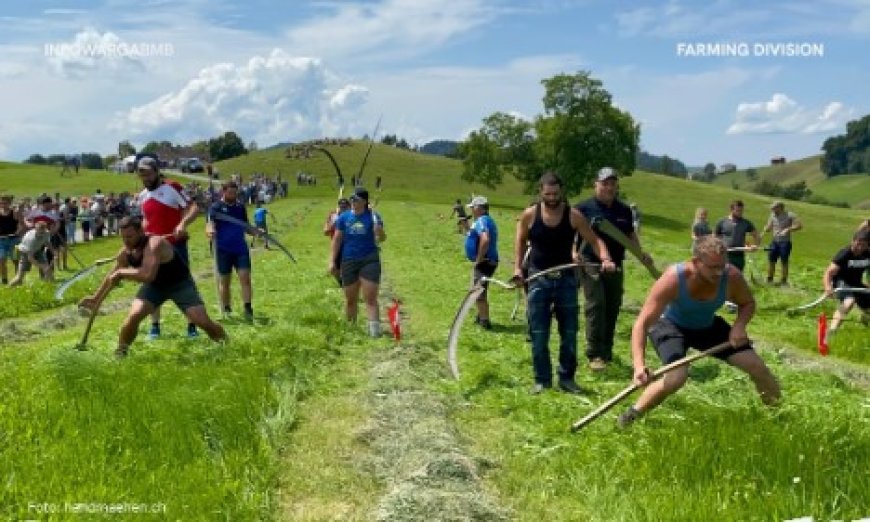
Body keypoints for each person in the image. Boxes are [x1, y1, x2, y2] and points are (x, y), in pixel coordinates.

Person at [616, 236, 781, 428]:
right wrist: (638, 366)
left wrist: (739, 326)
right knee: (676, 377)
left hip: (707, 326)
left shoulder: (731, 276)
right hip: (670, 325)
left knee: (757, 367)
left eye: (722, 266)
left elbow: (747, 303)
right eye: (713, 267)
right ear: (696, 262)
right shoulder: (673, 278)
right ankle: (632, 415)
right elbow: (642, 323)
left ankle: (778, 416)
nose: (719, 272)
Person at [515, 172, 615, 395]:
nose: (552, 197)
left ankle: (567, 379)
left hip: (566, 281)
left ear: (562, 192)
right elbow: (521, 240)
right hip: (538, 278)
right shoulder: (530, 215)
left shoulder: (574, 216)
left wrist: (606, 258)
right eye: (548, 194)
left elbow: (595, 240)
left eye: (556, 193)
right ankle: (542, 380)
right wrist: (517, 269)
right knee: (539, 333)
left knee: (569, 333)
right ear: (540, 192)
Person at [78, 217, 227, 358]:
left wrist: (122, 272)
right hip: (154, 287)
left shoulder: (154, 243)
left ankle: (225, 343)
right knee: (134, 315)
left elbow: (147, 274)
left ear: (140, 232)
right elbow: (113, 274)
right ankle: (121, 353)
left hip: (180, 284)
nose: (126, 241)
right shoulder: (126, 252)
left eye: (129, 237)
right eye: (123, 237)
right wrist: (95, 298)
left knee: (200, 320)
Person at [575, 167, 655, 371]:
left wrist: (640, 253)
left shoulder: (624, 210)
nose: (609, 188)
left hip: (616, 265)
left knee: (612, 306)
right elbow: (571, 234)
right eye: (604, 183)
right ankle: (594, 354)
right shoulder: (583, 208)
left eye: (612, 184)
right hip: (590, 263)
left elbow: (630, 236)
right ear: (596, 184)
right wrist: (573, 253)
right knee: (596, 304)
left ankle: (606, 351)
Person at [136, 155, 200, 339]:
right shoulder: (143, 196)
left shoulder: (173, 187)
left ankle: (192, 326)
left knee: (184, 284)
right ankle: (155, 327)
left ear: (156, 172)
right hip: (153, 248)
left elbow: (193, 208)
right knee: (153, 283)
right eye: (142, 175)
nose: (146, 178)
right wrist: (141, 238)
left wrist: (182, 225)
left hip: (175, 246)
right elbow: (146, 220)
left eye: (148, 174)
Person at [329, 188, 386, 337]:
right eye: (352, 200)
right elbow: (337, 239)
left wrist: (379, 231)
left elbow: (382, 238)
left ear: (364, 202)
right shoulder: (344, 218)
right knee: (350, 299)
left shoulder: (373, 216)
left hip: (369, 259)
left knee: (370, 298)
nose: (353, 202)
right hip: (349, 260)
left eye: (356, 200)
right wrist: (332, 261)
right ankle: (351, 330)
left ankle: (374, 332)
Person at [206, 181, 262, 320]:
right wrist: (210, 230)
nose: (233, 195)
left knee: (245, 278)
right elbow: (209, 224)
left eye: (235, 193)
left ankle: (248, 309)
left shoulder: (240, 207)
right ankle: (226, 308)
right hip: (222, 250)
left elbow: (245, 226)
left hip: (240, 249)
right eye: (230, 193)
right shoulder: (216, 207)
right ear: (223, 192)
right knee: (225, 281)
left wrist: (255, 231)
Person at [822, 230, 869, 342]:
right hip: (841, 282)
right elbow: (828, 272)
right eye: (858, 243)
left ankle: (865, 319)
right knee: (849, 301)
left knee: (868, 306)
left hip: (856, 283)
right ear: (853, 241)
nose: (860, 247)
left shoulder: (868, 254)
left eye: (863, 245)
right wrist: (828, 287)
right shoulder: (845, 253)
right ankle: (832, 330)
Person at [464, 195, 498, 330]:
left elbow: (485, 239)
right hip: (488, 261)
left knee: (477, 292)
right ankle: (480, 316)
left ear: (480, 208)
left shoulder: (483, 221)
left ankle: (485, 321)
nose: (472, 210)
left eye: (473, 207)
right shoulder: (484, 220)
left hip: (485, 262)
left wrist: (478, 259)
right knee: (478, 288)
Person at [761, 201, 802, 285]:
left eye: (774, 208)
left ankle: (783, 281)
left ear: (780, 208)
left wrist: (788, 229)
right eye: (772, 208)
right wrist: (767, 228)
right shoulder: (772, 215)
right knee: (771, 260)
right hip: (775, 241)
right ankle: (769, 279)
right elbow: (769, 227)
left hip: (785, 242)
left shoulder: (790, 215)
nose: (772, 209)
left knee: (784, 261)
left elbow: (799, 226)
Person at [714, 200, 760, 273]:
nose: (740, 213)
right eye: (738, 210)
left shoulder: (745, 223)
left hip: (739, 256)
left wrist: (755, 245)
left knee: (737, 277)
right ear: (731, 210)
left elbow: (756, 235)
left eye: (742, 211)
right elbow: (715, 237)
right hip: (725, 255)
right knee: (724, 277)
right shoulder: (722, 222)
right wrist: (718, 246)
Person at [9, 221, 54, 286]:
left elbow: (46, 241)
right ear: (36, 229)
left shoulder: (46, 233)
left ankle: (50, 286)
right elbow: (30, 258)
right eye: (40, 232)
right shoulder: (30, 239)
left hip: (37, 250)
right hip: (25, 253)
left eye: (43, 232)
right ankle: (9, 287)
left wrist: (53, 252)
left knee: (48, 269)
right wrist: (42, 266)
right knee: (19, 278)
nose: (41, 234)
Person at [0, 196, 22, 284]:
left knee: (16, 260)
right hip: (1, 240)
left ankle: (18, 279)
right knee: (1, 260)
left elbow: (21, 224)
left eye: (5, 203)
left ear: (9, 203)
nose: (3, 205)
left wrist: (17, 232)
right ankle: (4, 280)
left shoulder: (14, 213)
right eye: (1, 203)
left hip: (14, 240)